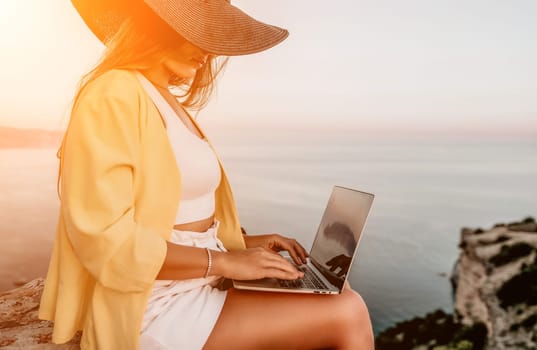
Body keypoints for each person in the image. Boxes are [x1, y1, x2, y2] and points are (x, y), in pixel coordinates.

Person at [38, 0, 375, 349]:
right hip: (152, 304)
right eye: (198, 31)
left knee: (335, 288)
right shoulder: (112, 93)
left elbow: (176, 220)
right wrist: (226, 262)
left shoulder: (160, 98)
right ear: (154, 25)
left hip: (195, 282)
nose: (208, 51)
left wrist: (248, 244)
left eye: (211, 36)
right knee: (347, 311)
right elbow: (107, 243)